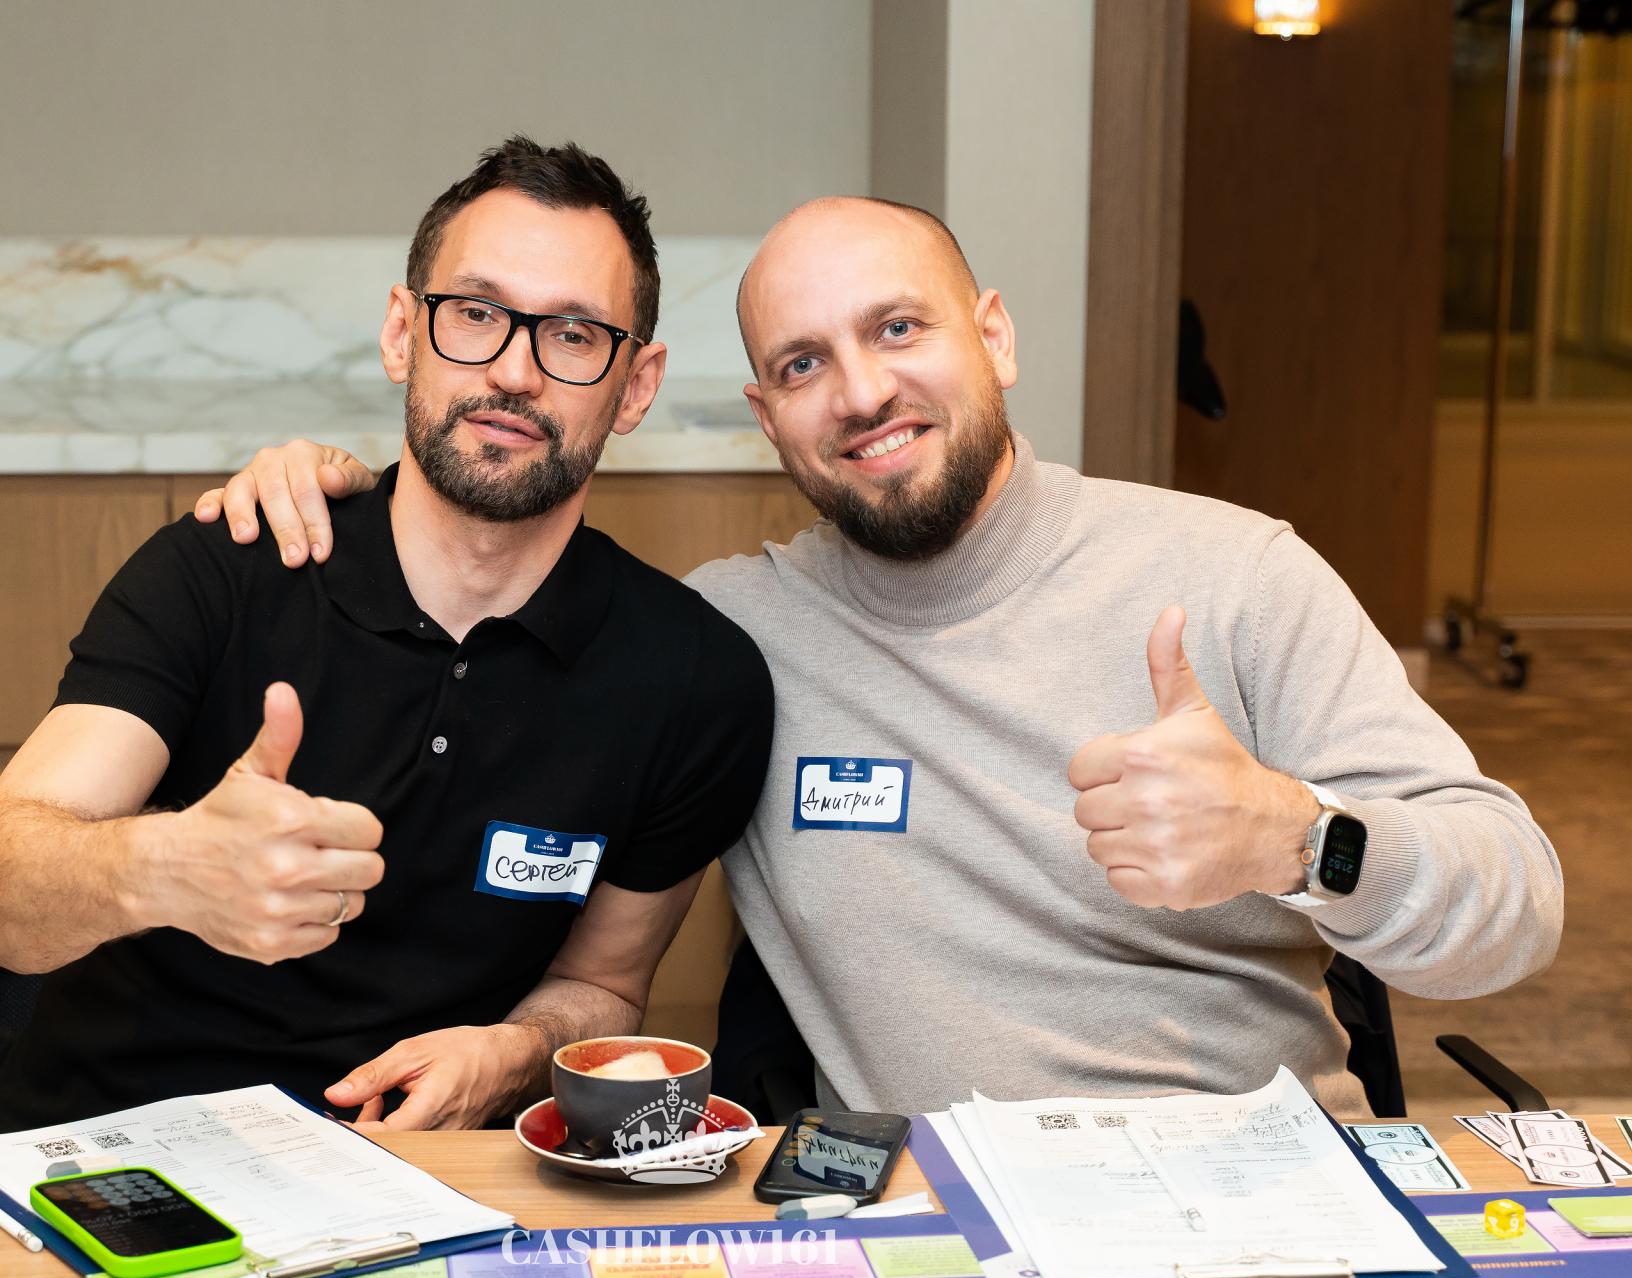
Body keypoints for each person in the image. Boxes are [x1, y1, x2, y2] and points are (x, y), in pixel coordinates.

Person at [199, 196, 1562, 1117]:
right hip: (922, 1224)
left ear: (995, 336)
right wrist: (330, 486)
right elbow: (487, 550)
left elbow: (1517, 906)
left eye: (898, 329)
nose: (860, 393)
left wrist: (1299, 837)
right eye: (802, 365)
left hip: (1247, 1208)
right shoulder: (726, 644)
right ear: (765, 417)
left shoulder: (1233, 576)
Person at [0, 137, 773, 1134]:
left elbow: (602, 984)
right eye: (475, 313)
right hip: (112, 1148)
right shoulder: (225, 567)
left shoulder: (693, 680)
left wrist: (514, 1054)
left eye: (573, 334)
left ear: (635, 386)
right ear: (400, 333)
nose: (514, 371)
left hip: (427, 1176)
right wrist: (167, 866)